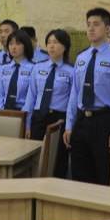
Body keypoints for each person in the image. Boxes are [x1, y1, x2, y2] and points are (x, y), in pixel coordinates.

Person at [65, 8, 110, 186]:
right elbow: (74, 94)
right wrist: (69, 125)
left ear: (107, 28)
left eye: (96, 24)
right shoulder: (81, 57)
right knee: (80, 176)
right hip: (82, 120)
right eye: (88, 24)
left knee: (103, 175)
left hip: (104, 121)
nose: (91, 28)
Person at [25, 29, 75, 178]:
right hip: (39, 116)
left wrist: (69, 125)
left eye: (56, 42)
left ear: (65, 46)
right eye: (49, 42)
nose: (51, 46)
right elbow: (31, 97)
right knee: (35, 156)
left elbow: (72, 101)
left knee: (58, 159)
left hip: (59, 118)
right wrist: (27, 123)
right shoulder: (38, 67)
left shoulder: (72, 71)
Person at [0, 29, 35, 125]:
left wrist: (22, 116)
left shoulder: (33, 68)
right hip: (3, 112)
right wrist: (1, 112)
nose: (13, 47)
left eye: (18, 44)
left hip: (23, 113)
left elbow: (31, 97)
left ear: (26, 45)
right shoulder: (3, 68)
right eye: (11, 44)